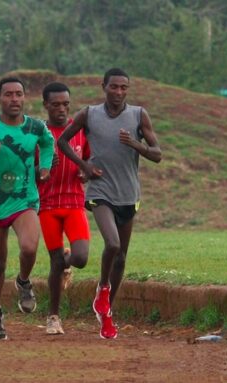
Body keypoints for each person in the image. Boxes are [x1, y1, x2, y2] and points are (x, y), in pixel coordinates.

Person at [58, 68, 162, 339]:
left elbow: (157, 154)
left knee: (121, 258)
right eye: (113, 87)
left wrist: (135, 144)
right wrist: (84, 165)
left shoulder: (139, 115)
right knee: (112, 245)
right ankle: (102, 289)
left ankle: (106, 312)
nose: (118, 92)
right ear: (103, 86)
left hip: (128, 195)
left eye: (123, 88)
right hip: (100, 191)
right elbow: (63, 140)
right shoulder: (89, 114)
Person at [0, 77, 54, 340]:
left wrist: (45, 166)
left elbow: (48, 143)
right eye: (8, 94)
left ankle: (23, 282)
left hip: (25, 199)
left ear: (24, 97)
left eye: (18, 94)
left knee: (29, 247)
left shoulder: (35, 126)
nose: (14, 99)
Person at [38, 82, 90, 335]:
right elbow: (27, 169)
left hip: (74, 203)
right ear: (45, 105)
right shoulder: (38, 133)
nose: (61, 109)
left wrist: (85, 171)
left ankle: (67, 262)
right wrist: (41, 170)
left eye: (66, 104)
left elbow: (90, 160)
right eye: (56, 104)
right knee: (54, 262)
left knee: (80, 258)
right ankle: (53, 317)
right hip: (47, 205)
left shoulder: (79, 131)